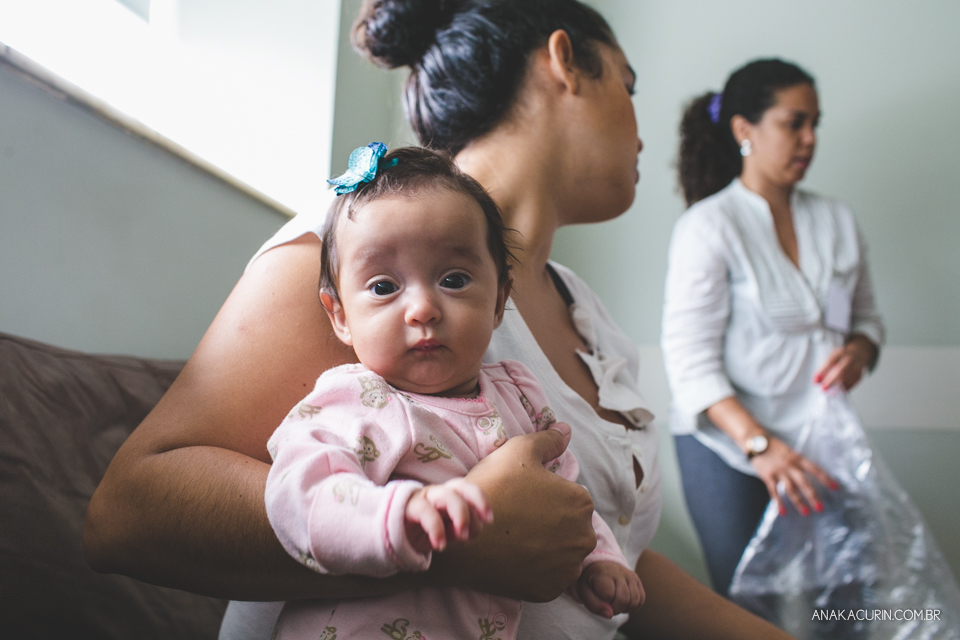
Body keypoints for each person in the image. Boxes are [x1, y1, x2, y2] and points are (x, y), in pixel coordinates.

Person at [84, 1, 796, 638]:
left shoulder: (591, 317)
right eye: (628, 86)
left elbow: (593, 542)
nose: (644, 126)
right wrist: (455, 542)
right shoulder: (359, 260)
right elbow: (131, 516)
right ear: (563, 63)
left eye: (460, 279)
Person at [264, 144, 642, 639]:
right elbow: (298, 493)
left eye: (454, 279)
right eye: (383, 287)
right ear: (339, 315)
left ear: (500, 298)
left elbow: (564, 497)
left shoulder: (521, 396)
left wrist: (598, 559)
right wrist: (395, 516)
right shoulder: (354, 400)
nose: (422, 308)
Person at [662, 58, 885, 597]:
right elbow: (690, 361)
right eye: (794, 122)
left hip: (821, 439)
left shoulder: (836, 221)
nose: (810, 138)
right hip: (728, 450)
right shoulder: (710, 226)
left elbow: (866, 320)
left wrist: (859, 350)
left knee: (843, 601)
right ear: (745, 130)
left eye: (815, 124)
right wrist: (760, 447)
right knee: (749, 607)